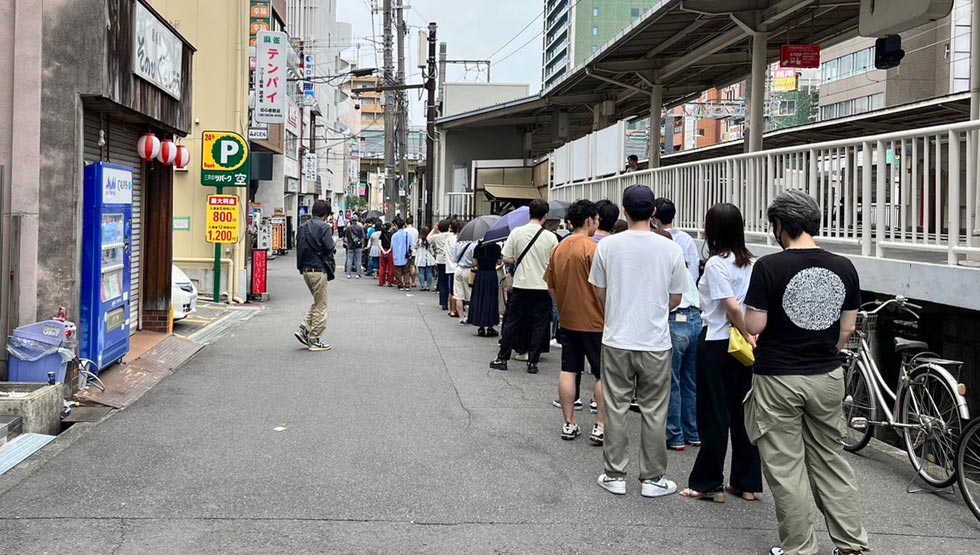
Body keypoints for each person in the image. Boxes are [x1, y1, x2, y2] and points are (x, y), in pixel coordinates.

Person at [743, 191, 869, 555]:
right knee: (830, 459)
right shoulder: (844, 266)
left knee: (786, 468)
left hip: (778, 377)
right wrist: (828, 351)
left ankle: (799, 548)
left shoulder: (769, 267)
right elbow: (848, 327)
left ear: (781, 225)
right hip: (827, 376)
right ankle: (850, 545)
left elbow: (755, 322)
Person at [588, 185, 687, 498]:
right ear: (654, 212)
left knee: (615, 406)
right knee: (655, 410)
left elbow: (599, 292)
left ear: (625, 211)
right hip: (655, 340)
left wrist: (617, 308)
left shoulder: (608, 246)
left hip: (617, 337)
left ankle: (615, 474)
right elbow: (675, 298)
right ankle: (653, 478)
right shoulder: (671, 249)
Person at [681, 203, 762, 502]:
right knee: (743, 413)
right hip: (745, 348)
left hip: (717, 341)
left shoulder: (716, 263)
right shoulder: (752, 262)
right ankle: (747, 482)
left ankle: (708, 483)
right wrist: (751, 334)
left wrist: (743, 331)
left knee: (714, 413)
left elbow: (729, 306)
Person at [545, 199, 606, 446]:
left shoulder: (559, 248)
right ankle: (601, 425)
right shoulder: (594, 249)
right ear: (590, 220)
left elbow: (550, 284)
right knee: (603, 374)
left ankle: (569, 423)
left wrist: (561, 304)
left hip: (568, 319)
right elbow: (603, 287)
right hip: (596, 322)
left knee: (569, 369)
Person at [489, 199, 559, 374]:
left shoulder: (517, 232)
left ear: (530, 213)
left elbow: (505, 257)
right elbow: (555, 262)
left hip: (521, 285)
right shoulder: (551, 237)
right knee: (539, 324)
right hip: (542, 286)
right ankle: (532, 362)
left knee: (512, 322)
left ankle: (502, 358)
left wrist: (515, 259)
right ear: (546, 215)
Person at [294, 200, 335, 352]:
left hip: (306, 269)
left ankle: (304, 328)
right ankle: (314, 339)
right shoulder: (324, 227)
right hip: (318, 270)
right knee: (321, 305)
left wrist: (301, 267)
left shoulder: (303, 227)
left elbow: (298, 249)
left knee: (318, 302)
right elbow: (329, 248)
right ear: (326, 214)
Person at [468, 240, 501, 337]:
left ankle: (481, 326)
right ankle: (490, 326)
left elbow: (475, 262)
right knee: (491, 299)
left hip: (481, 275)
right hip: (491, 274)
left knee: (480, 298)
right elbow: (499, 262)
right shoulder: (496, 247)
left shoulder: (478, 247)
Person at [453, 233, 476, 324]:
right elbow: (475, 261)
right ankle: (470, 317)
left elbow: (455, 258)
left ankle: (461, 317)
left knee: (459, 295)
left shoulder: (459, 244)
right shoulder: (474, 245)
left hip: (458, 269)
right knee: (470, 295)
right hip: (469, 270)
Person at [430, 221, 452, 310]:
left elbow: (428, 238)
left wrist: (434, 229)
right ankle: (453, 301)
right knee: (451, 281)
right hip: (450, 259)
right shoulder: (451, 235)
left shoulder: (436, 237)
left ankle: (444, 302)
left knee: (442, 281)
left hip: (440, 259)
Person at [444, 220, 461, 316]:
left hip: (450, 266)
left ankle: (452, 309)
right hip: (458, 266)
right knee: (457, 290)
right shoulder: (459, 240)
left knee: (451, 290)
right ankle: (456, 310)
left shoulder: (448, 239)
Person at [391, 218, 413, 291]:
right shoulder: (407, 234)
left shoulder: (394, 236)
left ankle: (400, 284)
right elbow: (411, 244)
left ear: (396, 225)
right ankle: (407, 285)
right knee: (406, 271)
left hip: (397, 255)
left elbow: (392, 246)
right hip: (405, 255)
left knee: (398, 271)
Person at [415, 226, 436, 291]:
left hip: (421, 257)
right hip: (429, 257)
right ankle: (428, 286)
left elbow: (415, 246)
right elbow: (433, 248)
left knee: (421, 272)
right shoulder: (430, 239)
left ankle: (422, 286)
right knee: (429, 272)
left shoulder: (419, 240)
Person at [378, 222, 396, 287]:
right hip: (390, 252)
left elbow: (379, 243)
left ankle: (381, 282)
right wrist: (388, 251)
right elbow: (393, 245)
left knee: (382, 267)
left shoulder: (382, 234)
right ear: (390, 227)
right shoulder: (392, 235)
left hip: (383, 251)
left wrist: (383, 251)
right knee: (391, 268)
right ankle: (390, 282)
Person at [406, 216, 420, 288]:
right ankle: (414, 281)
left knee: (406, 267)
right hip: (414, 250)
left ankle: (407, 281)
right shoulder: (416, 231)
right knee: (413, 266)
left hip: (406, 250)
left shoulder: (405, 230)